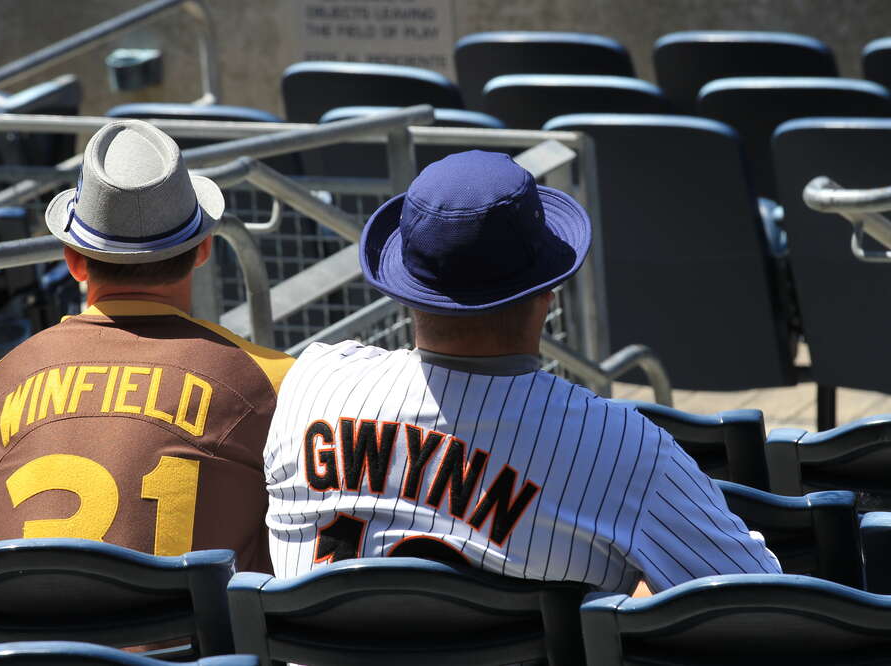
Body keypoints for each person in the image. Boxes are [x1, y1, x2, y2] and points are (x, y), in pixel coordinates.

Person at [263, 150, 780, 592]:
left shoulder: (311, 384)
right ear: (548, 295)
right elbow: (759, 605)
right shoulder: (623, 450)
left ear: (405, 293)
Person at [0, 120, 293, 573]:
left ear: (73, 261)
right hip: (196, 645)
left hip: (25, 642)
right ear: (204, 248)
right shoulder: (276, 382)